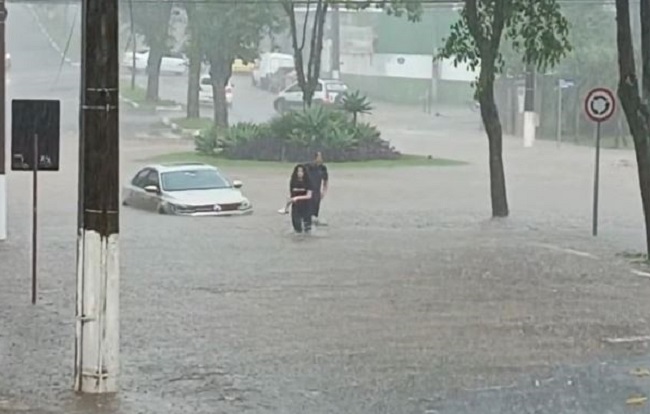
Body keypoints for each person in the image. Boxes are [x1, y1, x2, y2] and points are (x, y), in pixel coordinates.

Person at [285, 164, 313, 233]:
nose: (299, 173)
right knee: (297, 229)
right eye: (298, 171)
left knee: (307, 229)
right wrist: (286, 208)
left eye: (301, 171)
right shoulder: (293, 182)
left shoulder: (308, 182)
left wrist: (297, 198)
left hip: (306, 207)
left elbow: (309, 196)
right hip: (296, 208)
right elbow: (291, 197)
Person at [306, 151, 329, 225]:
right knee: (308, 207)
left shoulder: (323, 168)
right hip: (309, 190)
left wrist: (324, 191)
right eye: (319, 157)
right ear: (315, 158)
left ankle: (314, 222)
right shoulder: (309, 167)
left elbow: (325, 180)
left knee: (316, 208)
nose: (321, 158)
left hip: (317, 191)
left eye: (321, 157)